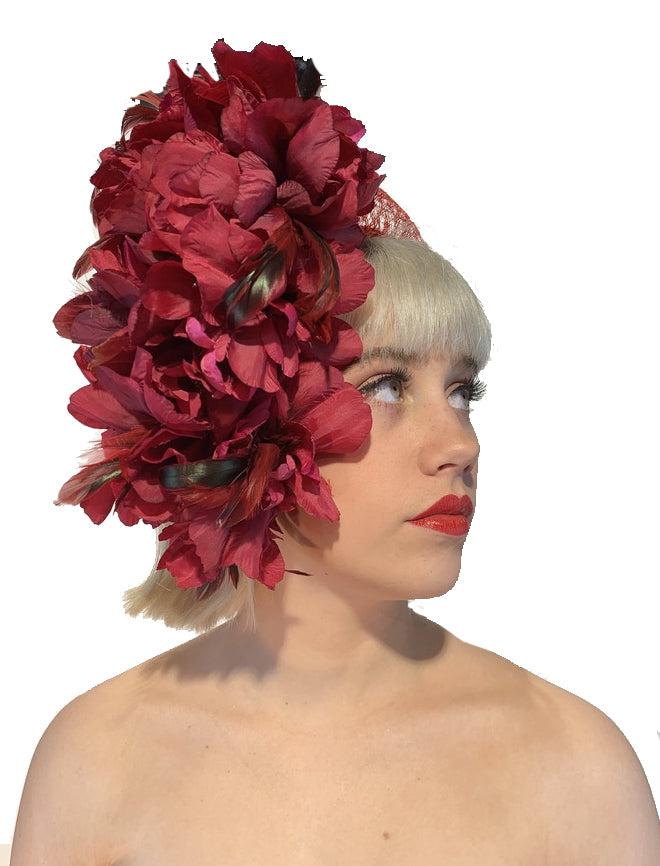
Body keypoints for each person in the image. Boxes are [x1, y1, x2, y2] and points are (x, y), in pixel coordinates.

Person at [9, 38, 660, 866]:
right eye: (386, 385)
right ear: (238, 416)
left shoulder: (576, 769)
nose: (460, 444)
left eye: (464, 390)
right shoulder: (95, 763)